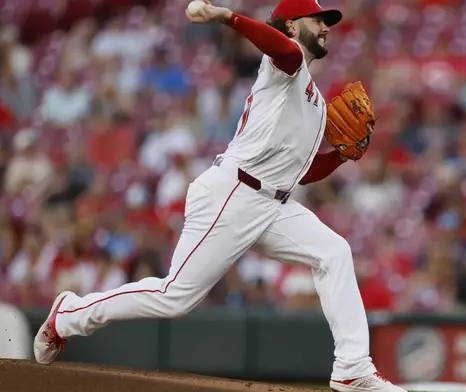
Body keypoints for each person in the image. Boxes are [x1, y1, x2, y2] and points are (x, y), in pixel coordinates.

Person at [33, 1, 406, 391]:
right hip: (233, 193)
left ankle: (351, 367)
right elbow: (282, 48)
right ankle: (68, 315)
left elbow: (302, 174)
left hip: (271, 203)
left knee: (334, 252)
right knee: (175, 296)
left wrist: (341, 157)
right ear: (292, 27)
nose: (327, 27)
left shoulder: (314, 103)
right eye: (318, 20)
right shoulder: (284, 65)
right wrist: (226, 16)